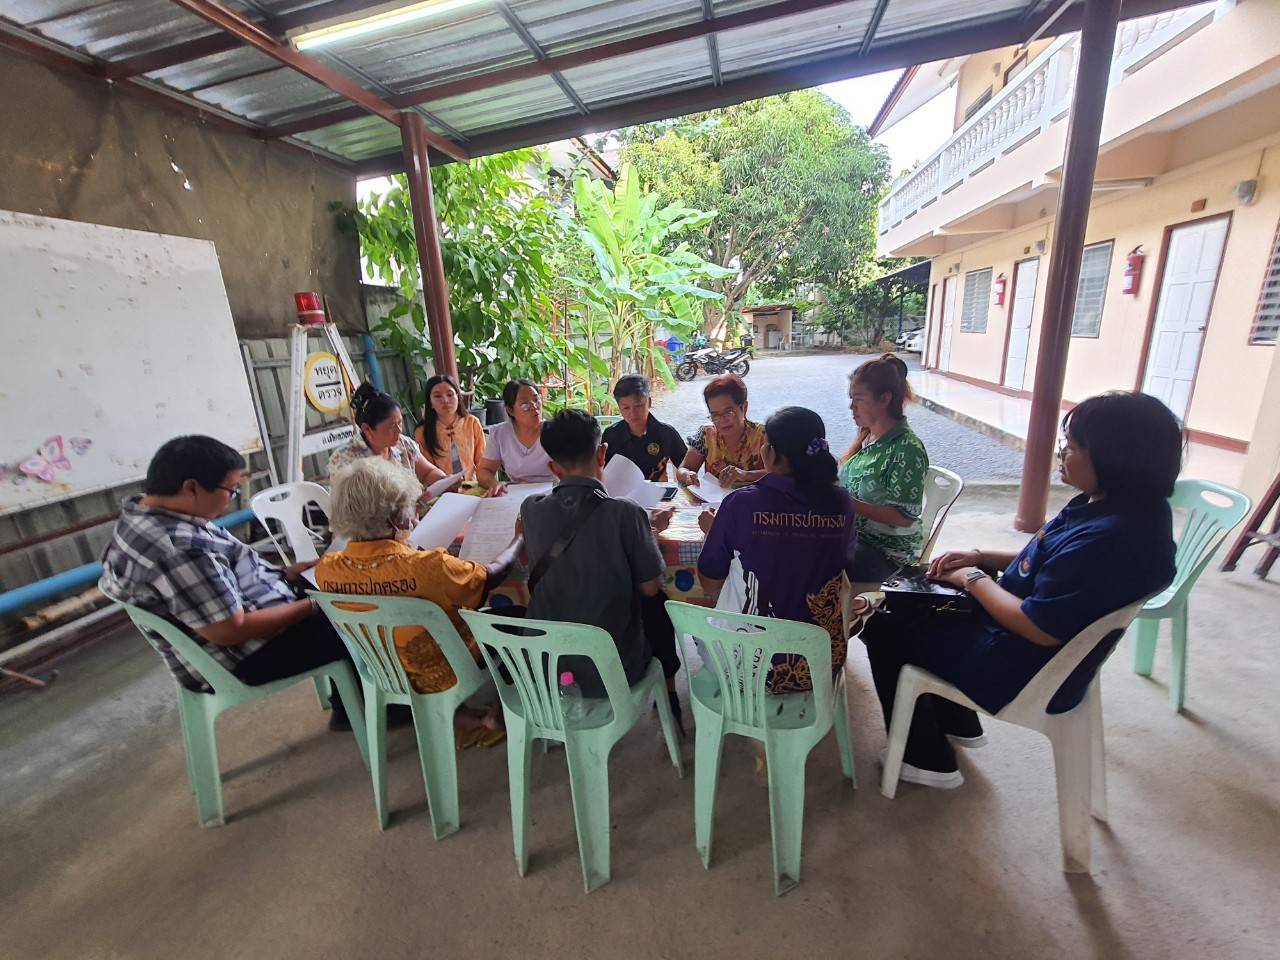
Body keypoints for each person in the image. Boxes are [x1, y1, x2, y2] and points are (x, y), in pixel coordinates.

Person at [860, 391, 1180, 790]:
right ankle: (955, 720)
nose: (1061, 453)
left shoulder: (1111, 541)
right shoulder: (1121, 509)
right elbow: (1053, 558)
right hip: (1020, 642)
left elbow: (1038, 627)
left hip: (1018, 665)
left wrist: (971, 579)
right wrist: (982, 557)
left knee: (883, 622)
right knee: (916, 601)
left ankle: (926, 760)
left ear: (1115, 458)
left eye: (1072, 447)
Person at [99, 436, 361, 730]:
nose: (233, 498)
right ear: (192, 487)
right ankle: (357, 712)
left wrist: (286, 574)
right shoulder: (176, 548)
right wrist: (314, 605)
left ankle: (352, 700)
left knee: (342, 582)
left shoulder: (146, 513)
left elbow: (225, 573)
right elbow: (229, 631)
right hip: (238, 658)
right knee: (359, 620)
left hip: (249, 612)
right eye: (231, 490)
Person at [314, 458, 521, 743]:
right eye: (408, 508)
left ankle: (458, 716)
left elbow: (379, 577)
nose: (412, 515)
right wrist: (519, 538)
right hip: (448, 667)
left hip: (387, 670)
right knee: (517, 618)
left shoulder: (328, 569)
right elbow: (489, 576)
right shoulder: (429, 566)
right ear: (395, 518)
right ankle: (502, 712)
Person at [520, 409, 683, 726]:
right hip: (615, 667)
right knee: (658, 604)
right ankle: (669, 692)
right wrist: (647, 532)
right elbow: (650, 586)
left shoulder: (531, 509)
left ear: (553, 467)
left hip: (547, 666)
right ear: (602, 454)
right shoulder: (625, 512)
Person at [696, 407, 856, 693]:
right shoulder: (842, 502)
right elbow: (843, 560)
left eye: (766, 444)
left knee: (702, 627)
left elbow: (710, 582)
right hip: (820, 663)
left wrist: (712, 532)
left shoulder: (742, 504)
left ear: (773, 454)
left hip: (749, 668)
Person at [838, 354, 930, 584]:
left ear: (884, 399)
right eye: (851, 399)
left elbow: (903, 517)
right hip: (857, 537)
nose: (851, 407)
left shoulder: (907, 449)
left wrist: (842, 501)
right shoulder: (868, 437)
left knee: (813, 557)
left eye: (858, 399)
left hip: (888, 554)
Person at [328, 383, 450, 489]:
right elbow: (351, 505)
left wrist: (446, 481)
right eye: (391, 427)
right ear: (367, 429)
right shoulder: (345, 460)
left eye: (400, 423)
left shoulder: (403, 444)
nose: (399, 430)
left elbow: (427, 473)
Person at [677, 374, 767, 489]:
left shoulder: (764, 436)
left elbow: (782, 474)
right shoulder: (706, 435)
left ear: (744, 408)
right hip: (714, 499)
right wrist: (687, 475)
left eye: (728, 412)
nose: (722, 421)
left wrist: (745, 475)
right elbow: (683, 469)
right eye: (715, 415)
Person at [602, 374, 688, 481]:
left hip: (656, 490)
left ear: (649, 402)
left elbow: (685, 465)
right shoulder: (611, 435)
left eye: (638, 406)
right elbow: (601, 471)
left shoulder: (666, 433)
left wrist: (685, 473)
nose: (633, 413)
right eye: (626, 408)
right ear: (619, 408)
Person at [476, 379, 556, 494]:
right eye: (525, 404)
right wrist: (493, 484)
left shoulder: (554, 431)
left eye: (536, 400)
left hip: (552, 493)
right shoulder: (500, 434)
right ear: (510, 410)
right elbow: (484, 470)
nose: (534, 406)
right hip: (516, 495)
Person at [413, 374, 487, 480]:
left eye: (450, 394)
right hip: (442, 486)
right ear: (430, 402)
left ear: (458, 397)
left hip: (473, 484)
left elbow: (482, 461)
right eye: (437, 396)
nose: (445, 400)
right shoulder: (422, 431)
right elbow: (427, 471)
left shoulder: (472, 423)